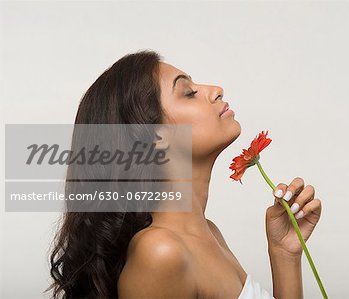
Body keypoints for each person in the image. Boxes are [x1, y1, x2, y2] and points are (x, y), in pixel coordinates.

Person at [47, 50, 322, 299]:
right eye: (188, 92)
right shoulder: (160, 253)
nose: (216, 90)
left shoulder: (209, 233)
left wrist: (285, 254)